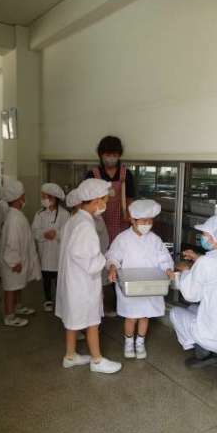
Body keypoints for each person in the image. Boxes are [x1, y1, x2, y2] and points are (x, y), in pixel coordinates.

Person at [56, 178, 122, 374]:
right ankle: (97, 360)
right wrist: (104, 260)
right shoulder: (86, 225)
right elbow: (87, 260)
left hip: (73, 281)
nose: (106, 205)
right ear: (96, 201)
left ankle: (70, 356)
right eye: (105, 200)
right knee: (92, 321)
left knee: (73, 319)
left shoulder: (75, 219)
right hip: (82, 283)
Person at [106, 200, 174, 360]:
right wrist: (113, 267)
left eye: (150, 221)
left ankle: (140, 342)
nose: (147, 225)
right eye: (143, 221)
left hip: (149, 284)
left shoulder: (155, 239)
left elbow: (164, 258)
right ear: (133, 220)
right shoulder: (123, 238)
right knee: (131, 316)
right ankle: (129, 342)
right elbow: (113, 256)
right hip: (130, 285)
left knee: (144, 315)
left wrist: (168, 269)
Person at [167, 215, 217, 369]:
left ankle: (203, 352)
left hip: (212, 337)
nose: (202, 237)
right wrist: (197, 259)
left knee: (175, 313)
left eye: (205, 234)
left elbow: (191, 295)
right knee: (192, 309)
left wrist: (182, 272)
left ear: (214, 237)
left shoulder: (206, 262)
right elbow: (215, 266)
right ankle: (215, 352)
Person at [86, 136, 135, 317]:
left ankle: (119, 304)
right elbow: (86, 203)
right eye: (107, 155)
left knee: (120, 262)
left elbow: (129, 201)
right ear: (101, 155)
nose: (110, 158)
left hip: (120, 225)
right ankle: (100, 304)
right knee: (98, 263)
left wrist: (131, 221)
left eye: (114, 155)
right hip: (99, 225)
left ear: (119, 155)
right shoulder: (93, 174)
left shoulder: (126, 174)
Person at [0, 178, 41, 327]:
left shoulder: (16, 215)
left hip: (18, 260)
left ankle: (17, 306)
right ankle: (9, 316)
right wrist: (14, 262)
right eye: (23, 194)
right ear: (18, 198)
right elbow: (11, 243)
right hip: (13, 262)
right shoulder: (13, 219)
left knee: (18, 285)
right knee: (11, 288)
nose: (25, 197)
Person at [32, 183, 70, 312]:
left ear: (54, 198)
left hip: (58, 253)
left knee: (59, 278)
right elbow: (34, 231)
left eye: (47, 197)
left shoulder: (64, 214)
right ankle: (48, 299)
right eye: (43, 197)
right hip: (45, 252)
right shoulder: (39, 214)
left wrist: (56, 234)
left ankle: (60, 300)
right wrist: (44, 234)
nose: (44, 199)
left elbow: (68, 232)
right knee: (46, 277)